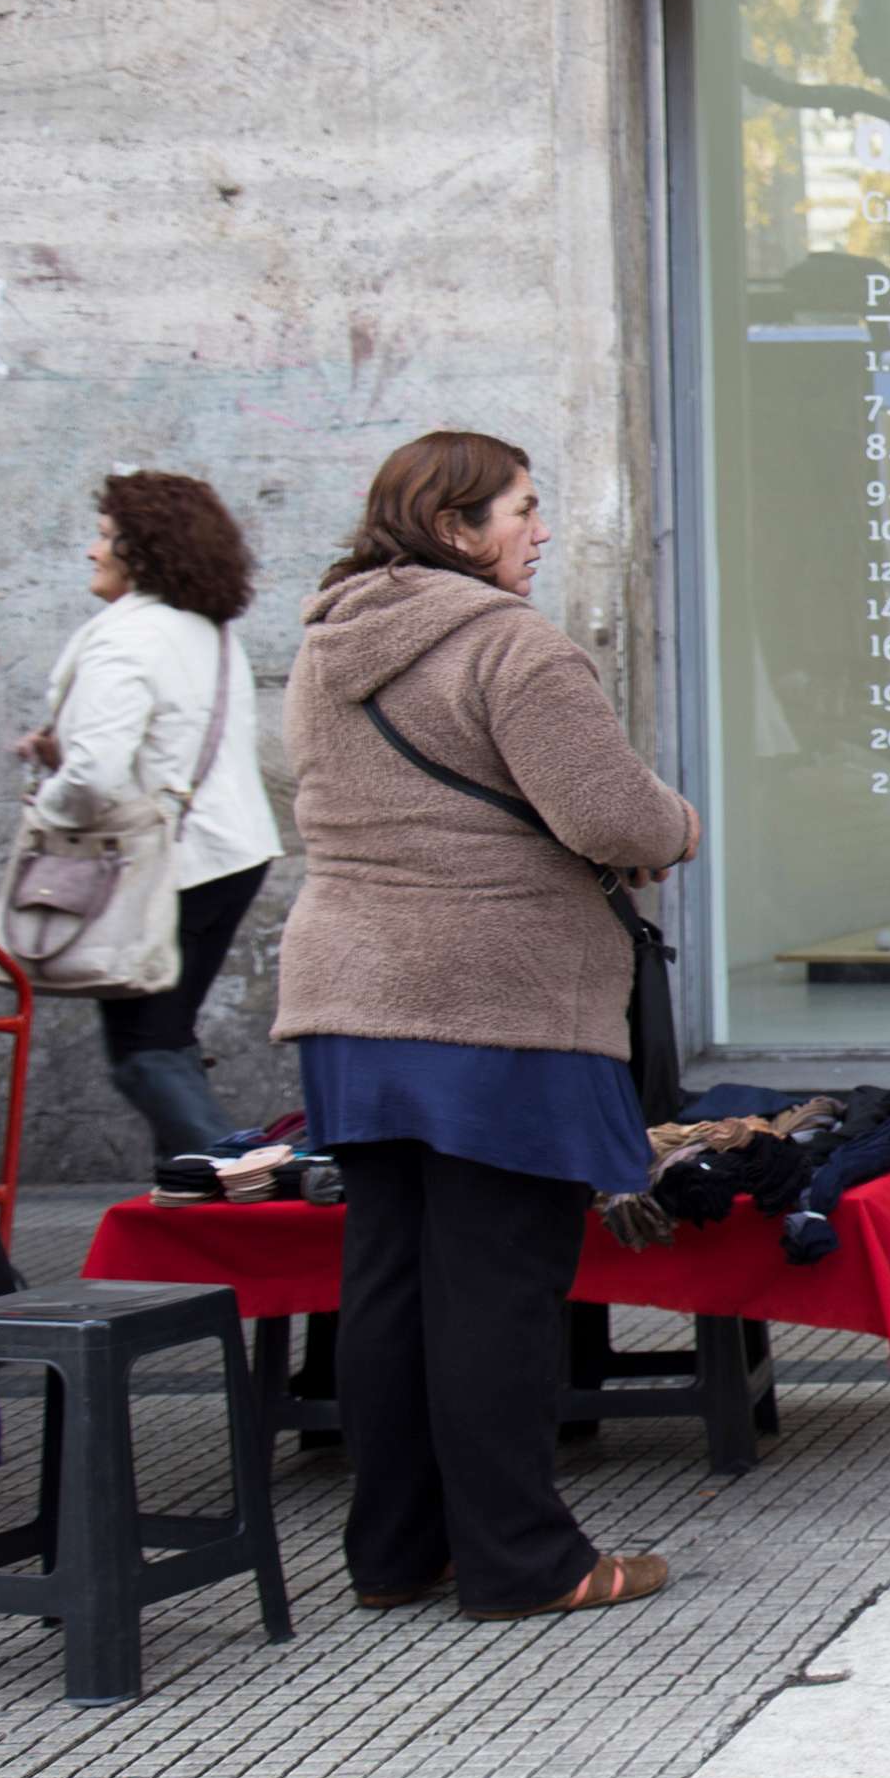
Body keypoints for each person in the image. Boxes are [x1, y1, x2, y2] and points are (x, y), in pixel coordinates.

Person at [277, 432, 698, 1619]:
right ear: (458, 528)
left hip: (352, 994)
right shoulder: (514, 646)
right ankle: (526, 1557)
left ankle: (400, 1549)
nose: (542, 528)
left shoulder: (325, 646)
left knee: (391, 1281)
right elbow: (610, 815)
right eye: (523, 507)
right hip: (493, 999)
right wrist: (680, 823)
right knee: (501, 1287)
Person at [19, 472, 283, 1158]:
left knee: (144, 1052)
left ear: (143, 550)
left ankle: (241, 1179)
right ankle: (194, 1204)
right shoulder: (206, 631)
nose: (90, 551)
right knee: (167, 1037)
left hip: (167, 867)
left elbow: (99, 773)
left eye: (105, 537)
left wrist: (48, 799)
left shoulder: (123, 640)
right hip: (230, 856)